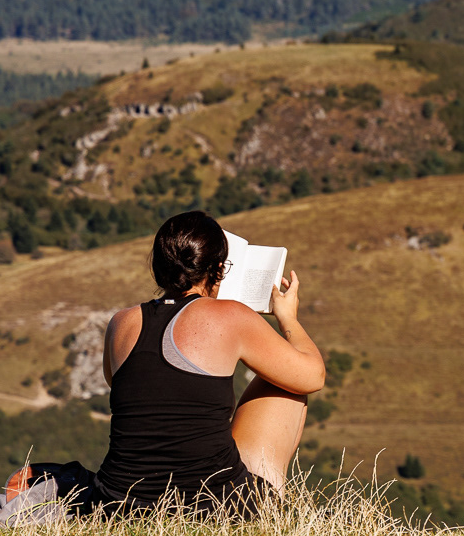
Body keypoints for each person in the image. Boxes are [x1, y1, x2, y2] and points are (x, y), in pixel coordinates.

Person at [90, 210, 326, 511]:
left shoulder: (121, 323)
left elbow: (126, 385)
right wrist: (287, 318)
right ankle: (272, 502)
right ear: (218, 269)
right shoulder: (231, 315)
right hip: (211, 505)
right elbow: (312, 376)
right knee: (286, 382)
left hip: (118, 503)